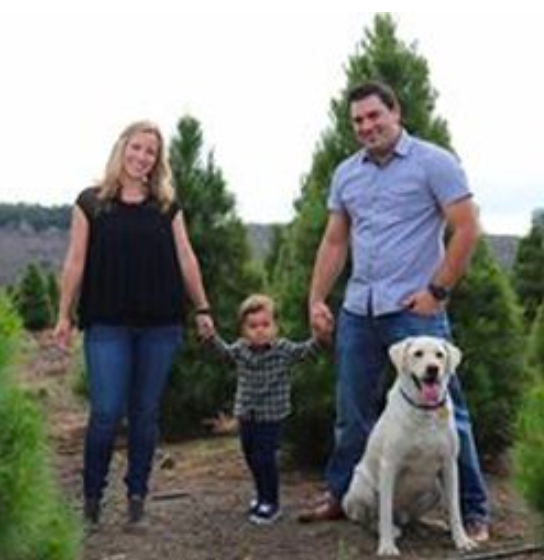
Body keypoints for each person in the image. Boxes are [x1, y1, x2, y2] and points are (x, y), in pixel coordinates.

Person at [298, 81, 490, 542]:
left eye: (373, 116)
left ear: (395, 112)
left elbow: (466, 229)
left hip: (415, 311)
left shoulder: (435, 162)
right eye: (358, 121)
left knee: (448, 411)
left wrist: (437, 291)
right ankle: (344, 495)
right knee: (351, 410)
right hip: (359, 311)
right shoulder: (347, 173)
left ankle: (474, 511)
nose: (367, 126)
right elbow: (335, 240)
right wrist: (318, 299)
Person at [54, 120, 214, 527]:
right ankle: (91, 498)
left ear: (157, 162)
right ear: (122, 148)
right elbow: (75, 260)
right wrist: (63, 315)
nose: (142, 157)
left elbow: (186, 257)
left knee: (144, 413)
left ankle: (137, 497)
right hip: (107, 324)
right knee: (106, 412)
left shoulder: (166, 206)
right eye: (137, 148)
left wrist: (203, 308)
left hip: (160, 325)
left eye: (151, 153)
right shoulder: (91, 202)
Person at [207, 294, 325, 525]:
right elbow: (224, 354)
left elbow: (306, 351)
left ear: (275, 326)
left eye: (265, 325)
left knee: (265, 458)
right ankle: (261, 495)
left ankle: (271, 502)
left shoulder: (283, 350)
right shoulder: (241, 350)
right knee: (250, 456)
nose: (260, 330)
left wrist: (320, 337)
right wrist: (211, 338)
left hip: (271, 416)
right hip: (246, 413)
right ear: (243, 330)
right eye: (253, 326)